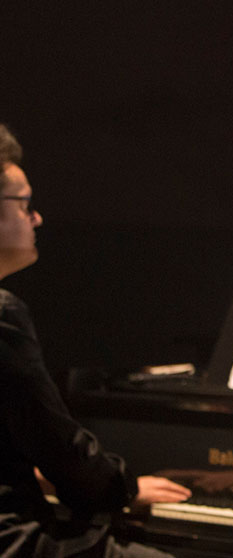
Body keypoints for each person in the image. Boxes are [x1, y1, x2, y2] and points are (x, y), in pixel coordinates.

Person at [0, 124, 192, 558]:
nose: (37, 217)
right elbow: (60, 446)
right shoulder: (1, 312)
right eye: (24, 204)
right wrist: (121, 489)